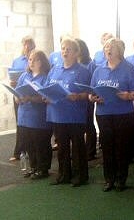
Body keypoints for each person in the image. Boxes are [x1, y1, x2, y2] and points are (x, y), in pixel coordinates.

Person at [89, 38, 134, 192]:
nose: (108, 50)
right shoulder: (99, 70)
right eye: (106, 48)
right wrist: (93, 97)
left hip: (122, 113)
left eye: (111, 47)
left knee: (121, 147)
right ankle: (109, 179)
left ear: (119, 51)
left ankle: (121, 179)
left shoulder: (128, 68)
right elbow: (91, 92)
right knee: (107, 147)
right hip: (103, 114)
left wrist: (127, 96)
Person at [47, 38, 91, 187]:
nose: (65, 51)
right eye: (63, 48)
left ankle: (80, 176)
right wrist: (45, 96)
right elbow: (47, 88)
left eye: (68, 49)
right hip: (57, 114)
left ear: (76, 52)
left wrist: (78, 96)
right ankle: (64, 174)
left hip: (74, 115)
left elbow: (88, 93)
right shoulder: (54, 69)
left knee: (78, 147)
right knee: (62, 147)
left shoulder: (83, 71)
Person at [15, 50, 52, 179]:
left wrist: (30, 98)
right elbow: (17, 92)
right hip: (24, 116)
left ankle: (43, 168)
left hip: (38, 117)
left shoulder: (46, 77)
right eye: (30, 59)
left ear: (41, 62)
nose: (31, 62)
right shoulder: (24, 76)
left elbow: (46, 97)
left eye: (35, 59)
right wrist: (18, 98)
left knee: (40, 143)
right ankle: (34, 167)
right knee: (29, 143)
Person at [9, 36, 36, 161]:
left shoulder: (37, 58)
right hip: (19, 94)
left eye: (29, 44)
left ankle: (31, 151)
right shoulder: (17, 61)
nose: (27, 46)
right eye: (24, 44)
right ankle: (19, 151)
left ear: (33, 45)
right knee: (20, 123)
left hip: (32, 95)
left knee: (31, 125)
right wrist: (13, 83)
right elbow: (13, 77)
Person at [75, 38, 98, 161]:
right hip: (74, 100)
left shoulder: (90, 64)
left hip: (87, 98)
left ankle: (90, 151)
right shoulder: (73, 64)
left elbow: (94, 82)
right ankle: (80, 150)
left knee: (88, 124)